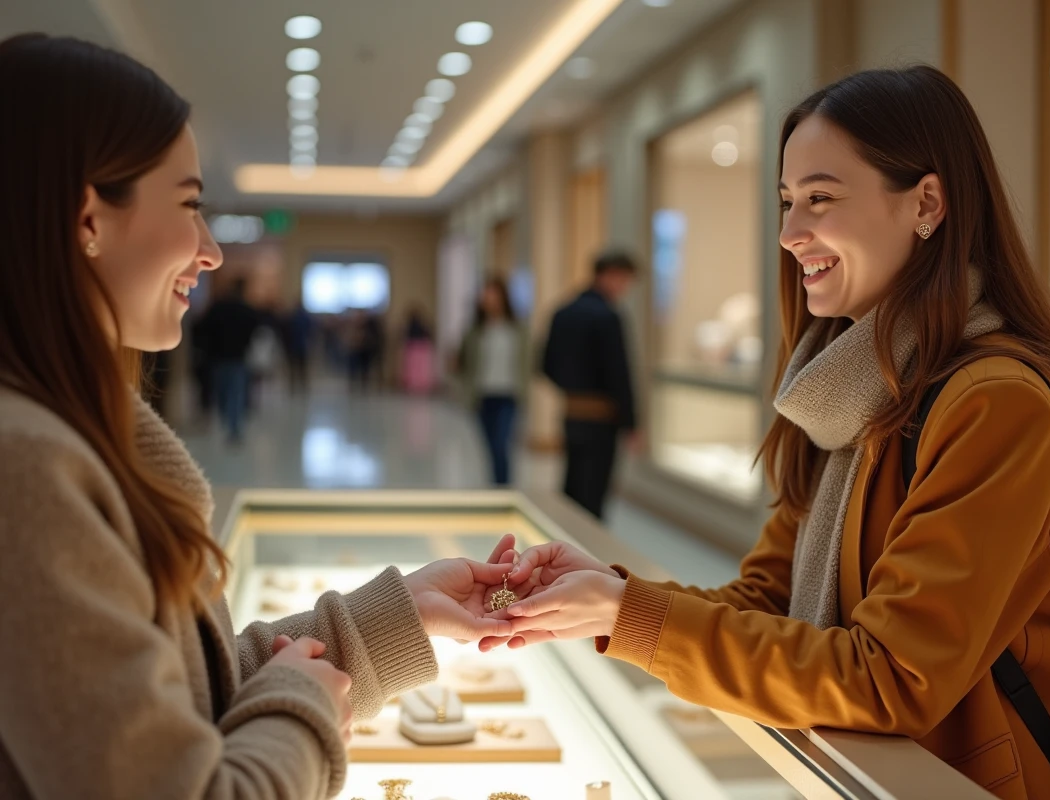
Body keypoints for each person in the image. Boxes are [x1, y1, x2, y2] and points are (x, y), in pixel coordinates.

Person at [483, 66, 1050, 800]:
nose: (788, 234)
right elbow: (769, 599)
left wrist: (632, 617)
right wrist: (609, 599)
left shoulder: (997, 405)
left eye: (820, 199)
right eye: (786, 202)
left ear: (927, 204)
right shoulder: (847, 391)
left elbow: (890, 679)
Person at [0, 34, 518, 800]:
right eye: (188, 205)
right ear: (89, 220)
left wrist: (403, 611)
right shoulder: (28, 472)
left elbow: (179, 694)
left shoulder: (59, 439)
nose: (210, 250)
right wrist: (306, 704)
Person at [542, 252, 640, 518]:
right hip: (602, 418)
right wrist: (631, 422)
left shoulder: (563, 312)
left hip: (572, 412)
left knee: (573, 485)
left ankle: (564, 548)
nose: (624, 288)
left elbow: (545, 365)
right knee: (594, 490)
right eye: (623, 280)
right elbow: (619, 373)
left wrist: (571, 389)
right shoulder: (608, 316)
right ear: (608, 275)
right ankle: (586, 555)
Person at [458, 277, 531, 485]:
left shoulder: (517, 330)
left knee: (501, 444)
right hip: (483, 394)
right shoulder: (476, 331)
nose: (488, 299)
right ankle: (494, 485)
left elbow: (527, 362)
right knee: (489, 446)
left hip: (508, 394)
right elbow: (464, 361)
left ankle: (503, 488)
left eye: (493, 294)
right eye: (485, 294)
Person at [193, 277, 260, 443]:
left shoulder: (217, 308)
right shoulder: (246, 310)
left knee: (222, 390)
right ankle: (234, 428)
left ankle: (227, 420)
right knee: (235, 392)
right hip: (237, 357)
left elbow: (201, 329)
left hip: (217, 357)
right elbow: (255, 330)